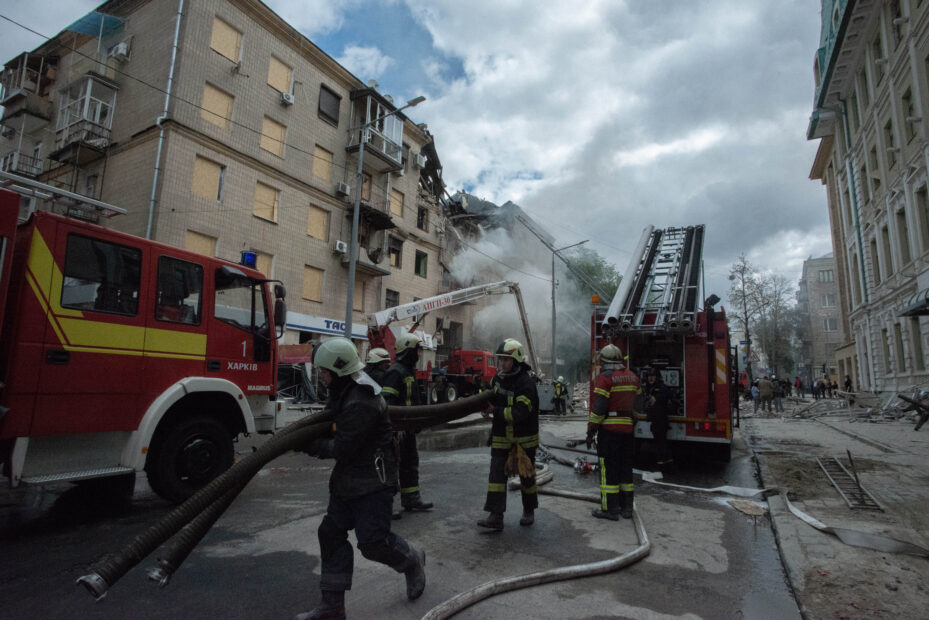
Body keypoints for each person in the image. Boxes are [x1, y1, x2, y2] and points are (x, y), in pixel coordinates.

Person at [296, 338, 425, 620]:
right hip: (348, 480)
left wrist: (307, 443)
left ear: (338, 371)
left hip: (372, 483)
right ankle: (332, 607)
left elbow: (341, 447)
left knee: (373, 543)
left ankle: (412, 560)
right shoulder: (344, 391)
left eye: (324, 371)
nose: (322, 376)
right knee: (330, 533)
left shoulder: (361, 401)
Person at [477, 338, 540, 530]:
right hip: (501, 436)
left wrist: (494, 411)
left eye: (506, 359)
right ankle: (496, 517)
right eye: (500, 359)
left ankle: (528, 511)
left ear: (516, 360)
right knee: (496, 477)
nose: (502, 363)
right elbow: (491, 394)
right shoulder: (498, 378)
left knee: (526, 477)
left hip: (524, 439)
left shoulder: (526, 384)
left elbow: (519, 414)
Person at [586, 343, 640, 520]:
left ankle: (610, 509)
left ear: (605, 361)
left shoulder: (605, 378)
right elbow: (639, 404)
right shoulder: (632, 377)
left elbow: (599, 408)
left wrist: (591, 430)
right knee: (626, 468)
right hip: (628, 432)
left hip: (609, 432)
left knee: (609, 469)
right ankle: (627, 508)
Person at [381, 333, 433, 515]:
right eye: (417, 350)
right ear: (408, 351)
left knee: (410, 462)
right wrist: (392, 428)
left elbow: (414, 401)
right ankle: (385, 506)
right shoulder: (395, 372)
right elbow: (387, 402)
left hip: (408, 428)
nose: (419, 355)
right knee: (392, 466)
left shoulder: (408, 371)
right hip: (396, 430)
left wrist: (417, 421)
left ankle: (412, 499)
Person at [643, 368, 674, 472]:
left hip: (660, 419)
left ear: (657, 377)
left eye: (653, 376)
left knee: (660, 443)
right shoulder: (651, 388)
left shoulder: (660, 388)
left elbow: (652, 401)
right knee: (661, 442)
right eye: (649, 376)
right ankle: (668, 463)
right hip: (656, 419)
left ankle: (661, 465)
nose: (651, 378)